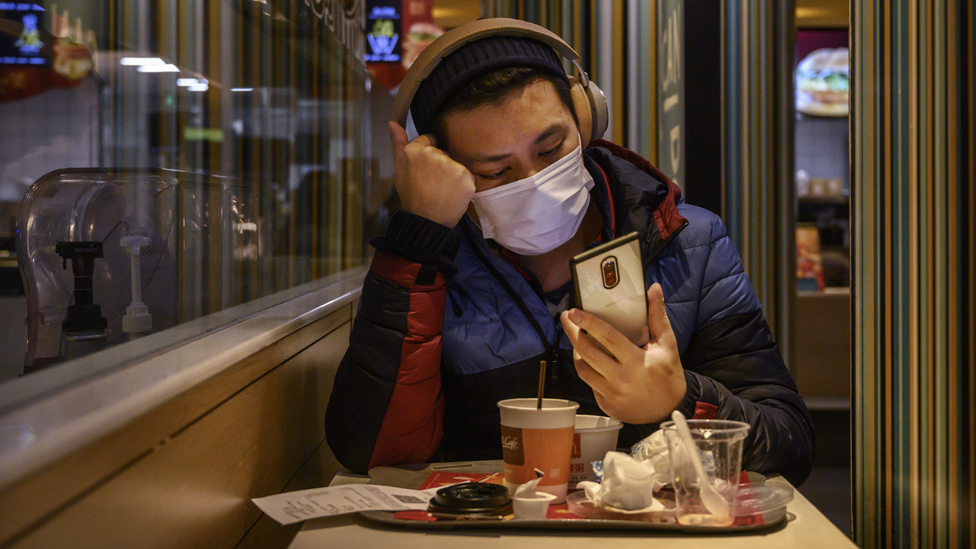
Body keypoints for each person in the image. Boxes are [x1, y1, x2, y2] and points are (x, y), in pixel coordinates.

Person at [325, 18, 814, 486]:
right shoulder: (431, 262)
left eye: (551, 148)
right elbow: (372, 453)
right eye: (495, 172)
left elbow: (788, 444)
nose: (533, 181)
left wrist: (678, 401)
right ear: (443, 168)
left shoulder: (692, 241)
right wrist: (418, 239)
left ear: (585, 119)